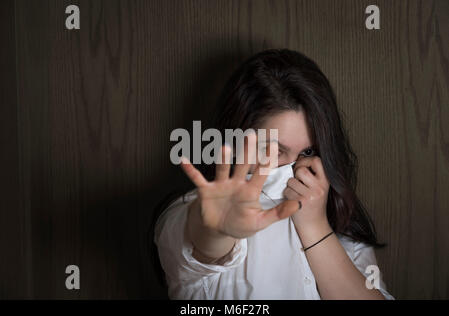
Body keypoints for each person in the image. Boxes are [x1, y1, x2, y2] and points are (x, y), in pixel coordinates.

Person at [153, 48, 395, 300]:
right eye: (272, 151)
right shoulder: (188, 213)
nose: (293, 171)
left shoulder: (345, 229)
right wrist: (221, 229)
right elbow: (203, 242)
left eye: (308, 151)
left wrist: (314, 226)